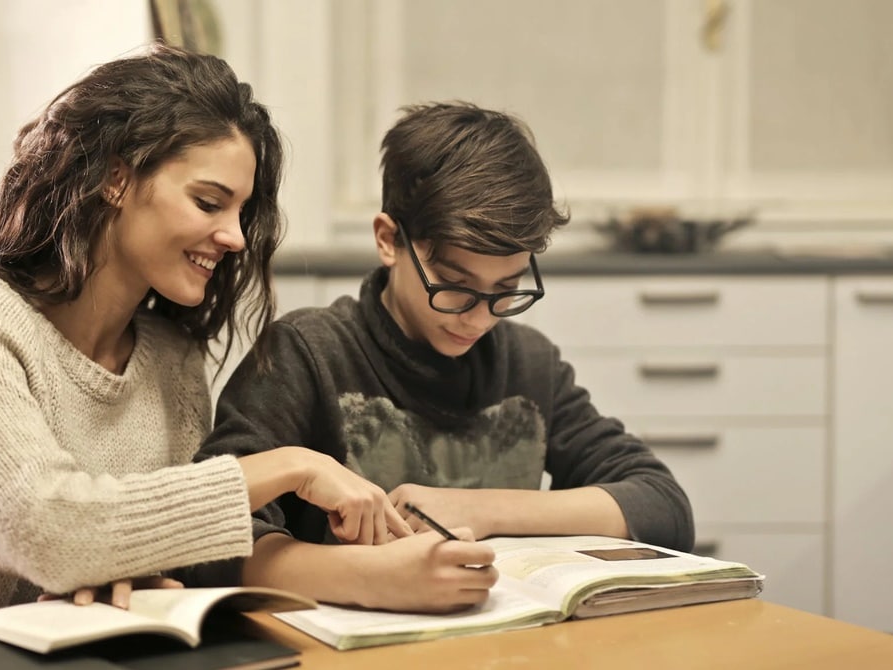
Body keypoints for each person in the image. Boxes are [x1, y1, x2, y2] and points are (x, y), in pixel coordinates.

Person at [0, 43, 409, 644]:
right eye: (210, 202)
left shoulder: (172, 358)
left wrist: (131, 576)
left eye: (242, 212)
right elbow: (51, 532)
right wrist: (291, 465)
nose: (235, 237)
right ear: (116, 176)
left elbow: (142, 554)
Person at [194, 102, 694, 613]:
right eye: (454, 288)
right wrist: (369, 577)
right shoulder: (307, 354)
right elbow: (202, 538)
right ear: (388, 239)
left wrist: (479, 508)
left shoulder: (528, 363)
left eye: (506, 288)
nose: (478, 319)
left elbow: (661, 504)